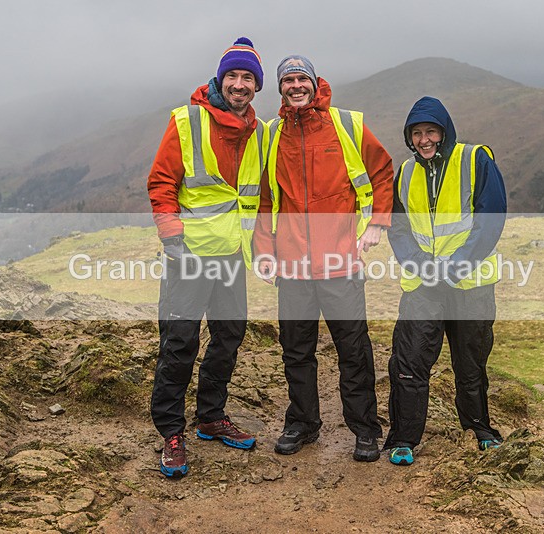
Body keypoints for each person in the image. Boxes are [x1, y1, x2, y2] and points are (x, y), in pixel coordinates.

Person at [252, 55, 394, 462]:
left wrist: (377, 223)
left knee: (353, 350)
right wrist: (264, 252)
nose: (296, 86)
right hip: (292, 266)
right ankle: (302, 423)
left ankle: (365, 429)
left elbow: (382, 171)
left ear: (315, 84)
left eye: (302, 79)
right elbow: (265, 199)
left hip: (340, 263)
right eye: (288, 80)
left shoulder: (347, 124)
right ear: (280, 88)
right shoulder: (271, 134)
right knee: (296, 351)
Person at [147, 37, 268, 478]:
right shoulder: (187, 120)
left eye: (248, 77)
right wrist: (171, 237)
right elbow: (162, 181)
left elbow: (260, 196)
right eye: (232, 75)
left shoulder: (259, 131)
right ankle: (171, 432)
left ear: (256, 86)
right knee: (179, 342)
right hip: (189, 254)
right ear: (221, 80)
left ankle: (210, 417)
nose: (239, 84)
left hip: (231, 256)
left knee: (229, 336)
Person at [383, 96, 507, 466]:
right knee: (409, 361)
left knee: (470, 363)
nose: (424, 140)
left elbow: (491, 218)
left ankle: (479, 430)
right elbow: (398, 227)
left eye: (431, 131)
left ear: (445, 132)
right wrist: (421, 265)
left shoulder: (475, 160)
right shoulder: (406, 173)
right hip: (423, 286)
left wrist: (454, 266)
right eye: (416, 133)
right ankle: (403, 439)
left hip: (469, 284)